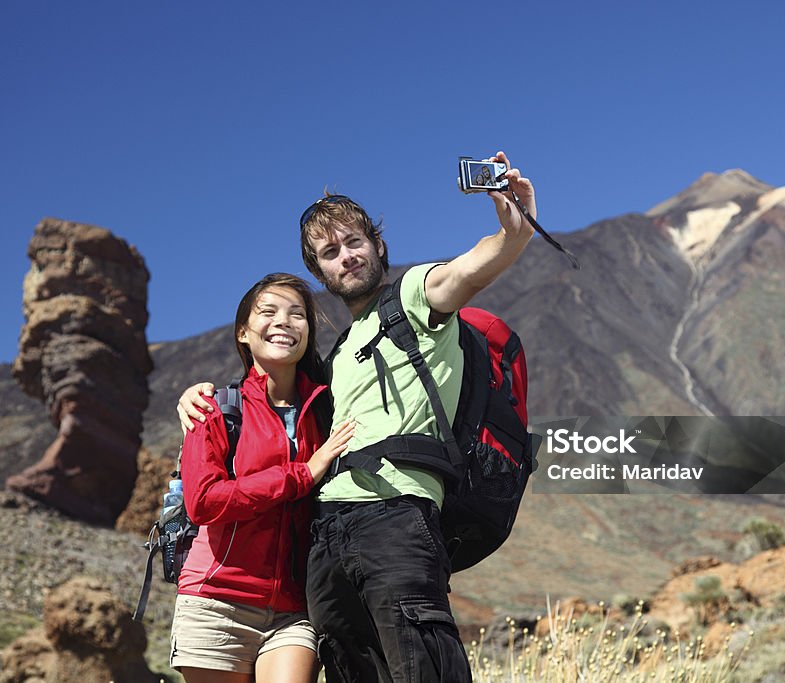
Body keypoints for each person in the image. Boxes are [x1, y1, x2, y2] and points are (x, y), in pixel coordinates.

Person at [179, 151, 536, 682]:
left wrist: (513, 233)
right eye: (329, 252)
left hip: (397, 517)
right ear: (319, 270)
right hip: (324, 540)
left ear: (377, 246)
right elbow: (267, 404)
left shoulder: (415, 299)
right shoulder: (334, 359)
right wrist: (194, 394)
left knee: (422, 667)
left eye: (354, 242)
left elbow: (467, 269)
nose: (345, 257)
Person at [171, 273, 355, 683]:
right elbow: (203, 503)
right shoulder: (214, 408)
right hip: (217, 600)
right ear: (243, 331)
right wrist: (301, 474)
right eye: (268, 312)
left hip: (294, 607)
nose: (284, 322)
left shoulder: (330, 407)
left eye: (297, 315)